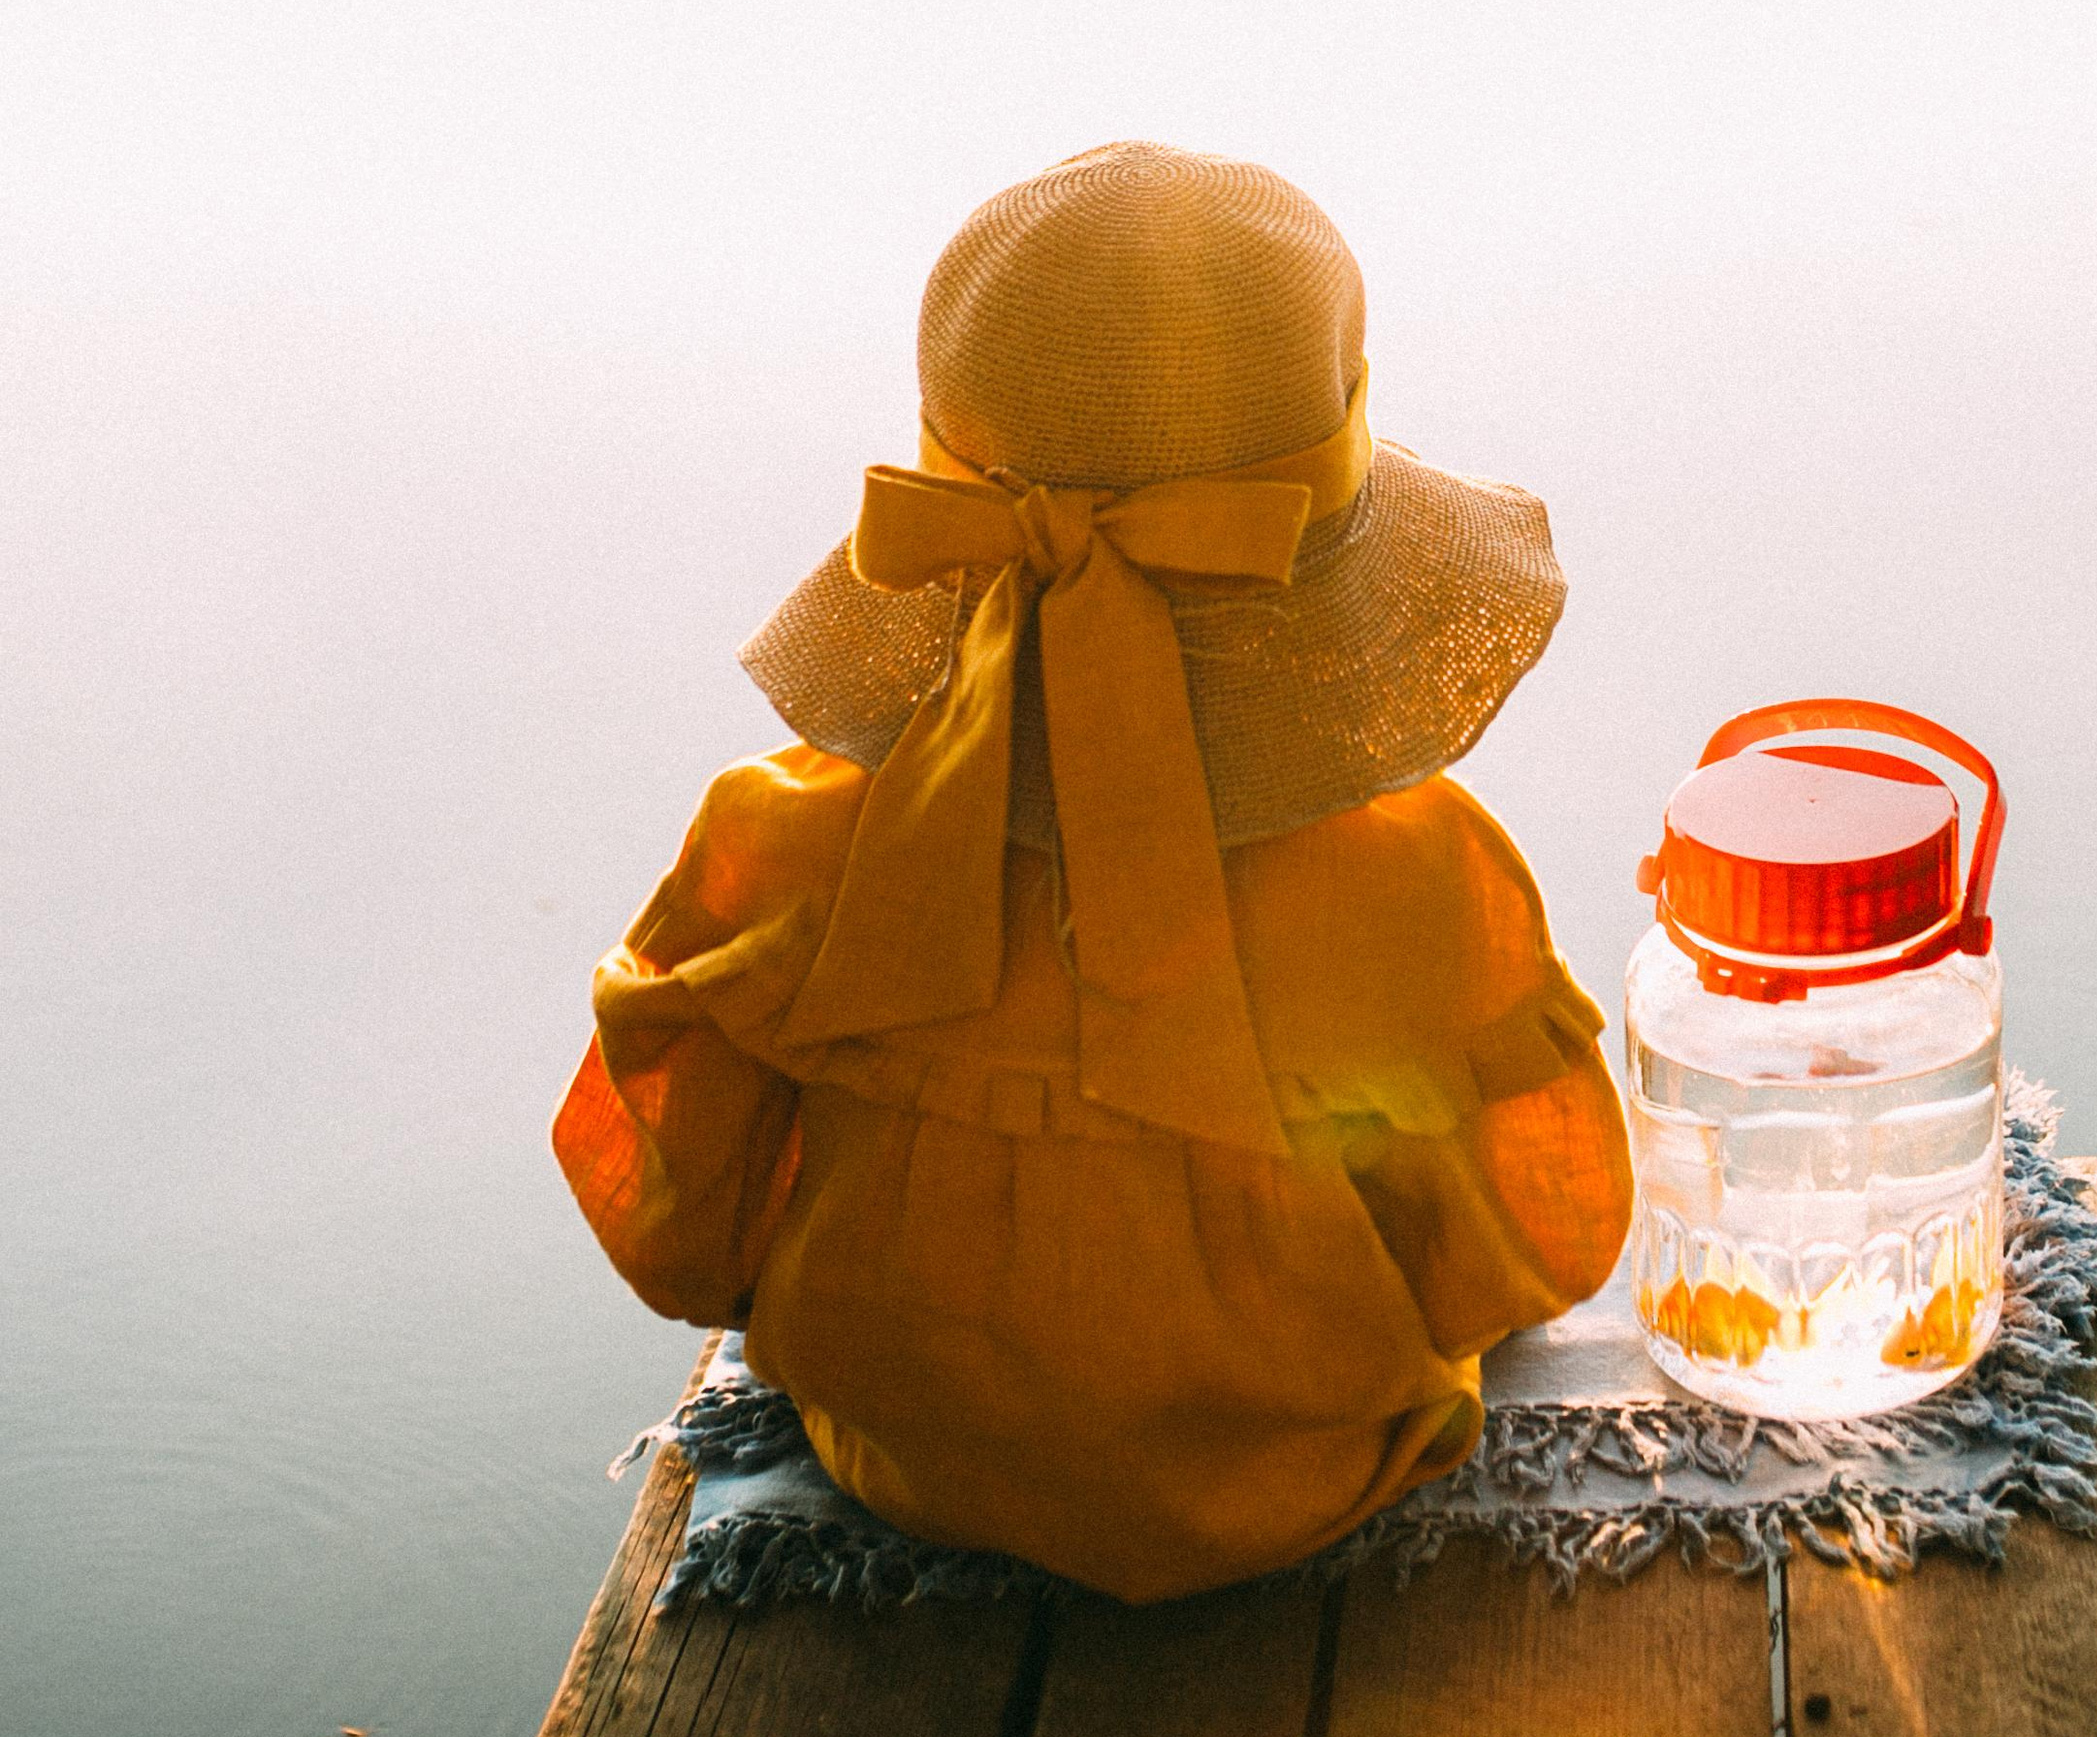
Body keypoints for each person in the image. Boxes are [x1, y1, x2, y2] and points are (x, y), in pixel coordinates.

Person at [553, 143, 1631, 1603]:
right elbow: (1529, 1250)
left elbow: (684, 1225)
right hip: (1313, 1468)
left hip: (896, 1451)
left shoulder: (787, 839)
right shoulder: (1415, 875)